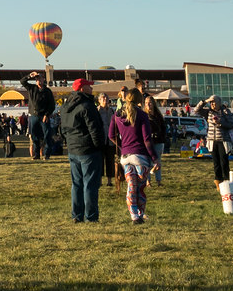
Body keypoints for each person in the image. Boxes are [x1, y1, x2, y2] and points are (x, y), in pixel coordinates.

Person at [58, 78, 106, 224]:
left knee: (77, 184)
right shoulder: (87, 106)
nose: (92, 89)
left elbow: (62, 129)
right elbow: (95, 129)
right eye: (89, 87)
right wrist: (99, 146)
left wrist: (69, 143)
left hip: (73, 149)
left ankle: (77, 215)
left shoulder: (65, 106)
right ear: (82, 89)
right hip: (88, 150)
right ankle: (91, 216)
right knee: (90, 184)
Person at [108, 89, 156, 224]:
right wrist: (155, 158)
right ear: (139, 100)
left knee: (131, 186)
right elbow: (147, 139)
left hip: (126, 156)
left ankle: (133, 215)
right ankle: (140, 213)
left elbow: (111, 135)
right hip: (140, 157)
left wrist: (122, 146)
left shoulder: (117, 115)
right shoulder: (142, 115)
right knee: (140, 188)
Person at [194, 94, 233, 190]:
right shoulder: (209, 112)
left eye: (214, 102)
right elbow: (196, 110)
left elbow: (231, 124)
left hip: (223, 140)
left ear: (219, 103)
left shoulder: (225, 111)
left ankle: (226, 181)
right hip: (212, 140)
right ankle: (218, 181)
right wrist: (205, 101)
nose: (212, 104)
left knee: (224, 162)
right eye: (211, 102)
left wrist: (220, 123)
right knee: (216, 162)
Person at [26, 76, 55, 160]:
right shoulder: (32, 88)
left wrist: (47, 114)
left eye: (40, 79)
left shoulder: (47, 91)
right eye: (37, 79)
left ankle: (47, 154)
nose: (38, 81)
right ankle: (37, 154)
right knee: (34, 136)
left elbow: (52, 105)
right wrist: (30, 76)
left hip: (43, 116)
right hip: (33, 116)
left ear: (43, 80)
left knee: (47, 135)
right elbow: (23, 81)